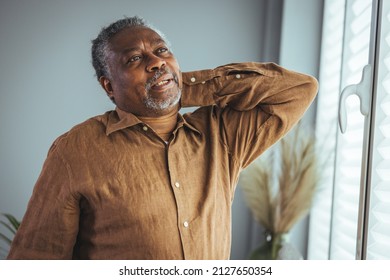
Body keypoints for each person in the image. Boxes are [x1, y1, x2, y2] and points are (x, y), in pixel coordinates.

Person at [7, 16, 318, 260]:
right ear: (108, 87)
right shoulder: (75, 150)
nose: (155, 62)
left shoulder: (221, 136)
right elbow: (37, 257)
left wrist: (180, 87)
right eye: (134, 59)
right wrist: (164, 82)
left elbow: (298, 90)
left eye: (161, 51)